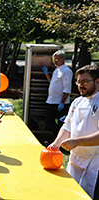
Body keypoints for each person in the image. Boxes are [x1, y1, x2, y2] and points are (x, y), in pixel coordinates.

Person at [48, 65, 99, 198]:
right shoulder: (77, 102)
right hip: (74, 160)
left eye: (84, 82)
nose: (80, 85)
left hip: (94, 162)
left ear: (97, 81)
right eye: (78, 82)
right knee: (69, 195)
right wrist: (56, 143)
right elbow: (67, 127)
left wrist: (77, 142)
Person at [42, 50, 73, 138]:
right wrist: (47, 74)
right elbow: (53, 83)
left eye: (56, 60)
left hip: (60, 102)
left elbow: (67, 89)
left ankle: (61, 140)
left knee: (61, 123)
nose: (55, 62)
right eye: (53, 60)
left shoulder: (66, 71)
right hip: (52, 101)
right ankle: (59, 138)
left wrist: (62, 102)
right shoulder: (57, 70)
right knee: (49, 120)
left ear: (63, 59)